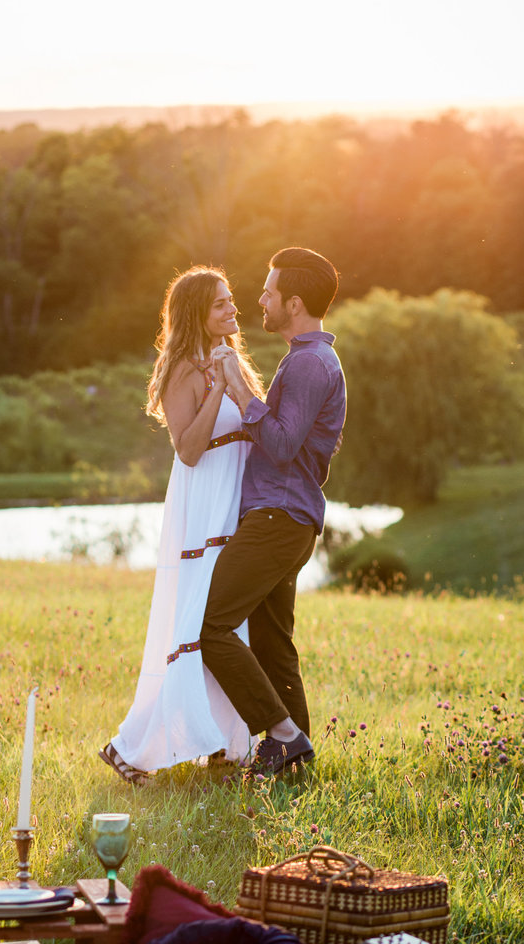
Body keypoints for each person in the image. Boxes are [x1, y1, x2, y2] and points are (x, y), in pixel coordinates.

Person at [99, 265, 266, 785]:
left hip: (235, 512)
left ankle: (222, 746)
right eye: (221, 303)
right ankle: (127, 747)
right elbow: (189, 451)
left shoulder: (231, 359)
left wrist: (234, 379)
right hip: (202, 516)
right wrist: (216, 387)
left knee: (229, 627)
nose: (233, 309)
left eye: (232, 299)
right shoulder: (181, 372)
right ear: (197, 312)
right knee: (194, 628)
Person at [200, 246, 346, 776]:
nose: (259, 299)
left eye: (268, 291)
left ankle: (281, 735)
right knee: (271, 641)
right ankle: (295, 762)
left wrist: (241, 392)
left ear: (294, 301)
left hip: (278, 517)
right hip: (289, 518)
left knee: (212, 624)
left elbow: (282, 446)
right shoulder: (309, 358)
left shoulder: (308, 363)